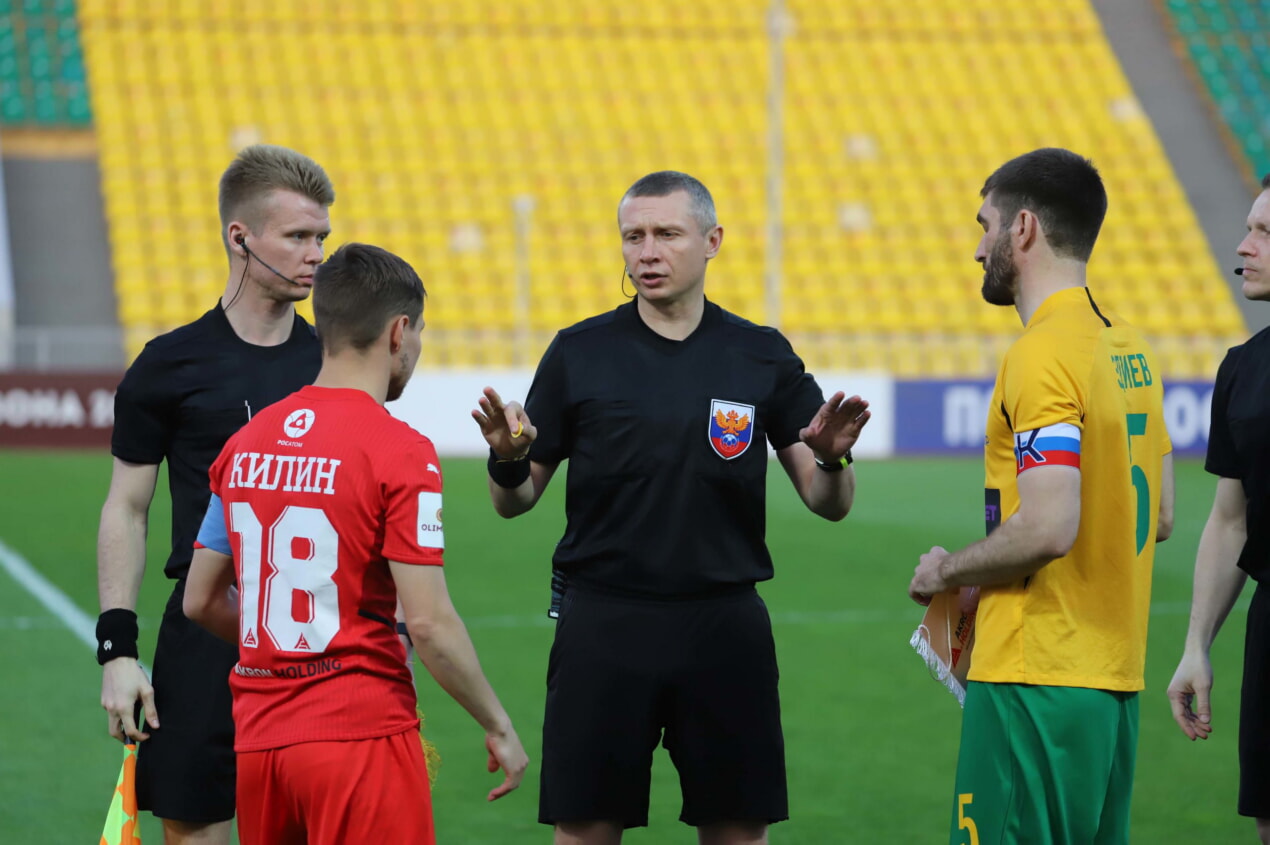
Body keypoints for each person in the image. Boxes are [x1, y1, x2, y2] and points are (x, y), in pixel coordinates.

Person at [471, 170, 871, 845]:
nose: (646, 252)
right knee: (585, 828)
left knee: (738, 829)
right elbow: (517, 499)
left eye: (665, 234)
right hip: (603, 618)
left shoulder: (761, 353)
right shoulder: (579, 351)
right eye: (633, 236)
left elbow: (828, 500)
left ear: (711, 240)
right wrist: (506, 458)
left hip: (724, 623)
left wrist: (831, 457)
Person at [182, 242, 529, 844]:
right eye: (419, 333)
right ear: (399, 332)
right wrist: (497, 722)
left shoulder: (244, 444)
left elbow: (200, 601)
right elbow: (427, 622)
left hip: (261, 745)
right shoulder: (399, 449)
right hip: (358, 736)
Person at [908, 148, 1175, 844]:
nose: (976, 248)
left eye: (983, 224)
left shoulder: (1042, 353)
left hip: (1037, 676)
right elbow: (1164, 514)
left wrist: (949, 571)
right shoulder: (1130, 350)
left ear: (1022, 228)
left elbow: (1050, 525)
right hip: (1113, 683)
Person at [96, 144, 332, 844]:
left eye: (321, 237)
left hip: (310, 635)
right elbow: (126, 507)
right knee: (194, 827)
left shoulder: (333, 364)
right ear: (241, 236)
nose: (315, 253)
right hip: (203, 630)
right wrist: (116, 649)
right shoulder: (169, 363)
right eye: (297, 236)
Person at [1167, 173, 1270, 843]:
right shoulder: (1243, 369)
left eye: (1264, 233)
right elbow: (1229, 518)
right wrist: (1195, 645)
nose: (1243, 246)